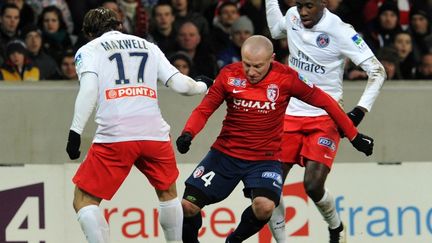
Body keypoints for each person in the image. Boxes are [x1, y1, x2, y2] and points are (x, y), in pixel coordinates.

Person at [176, 35, 375, 243]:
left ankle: (233, 241)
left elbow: (326, 102)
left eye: (258, 66)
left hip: (265, 159)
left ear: (272, 58)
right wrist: (188, 133)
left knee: (264, 207)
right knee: (187, 206)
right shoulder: (228, 75)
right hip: (225, 154)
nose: (251, 72)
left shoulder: (287, 78)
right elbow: (204, 109)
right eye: (247, 65)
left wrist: (354, 136)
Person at [65, 7, 213, 243]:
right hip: (154, 134)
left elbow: (89, 90)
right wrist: (202, 85)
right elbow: (180, 85)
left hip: (115, 136)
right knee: (168, 194)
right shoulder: (148, 46)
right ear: (120, 25)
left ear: (89, 33)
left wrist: (75, 131)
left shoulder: (89, 49)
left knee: (83, 200)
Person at [265, 0, 386, 242]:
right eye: (299, 5)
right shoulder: (292, 16)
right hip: (289, 114)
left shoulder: (341, 31)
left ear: (323, 3)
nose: (302, 12)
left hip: (325, 116)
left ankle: (336, 228)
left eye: (309, 6)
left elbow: (378, 70)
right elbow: (276, 31)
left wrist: (359, 111)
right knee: (269, 187)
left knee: (312, 185)